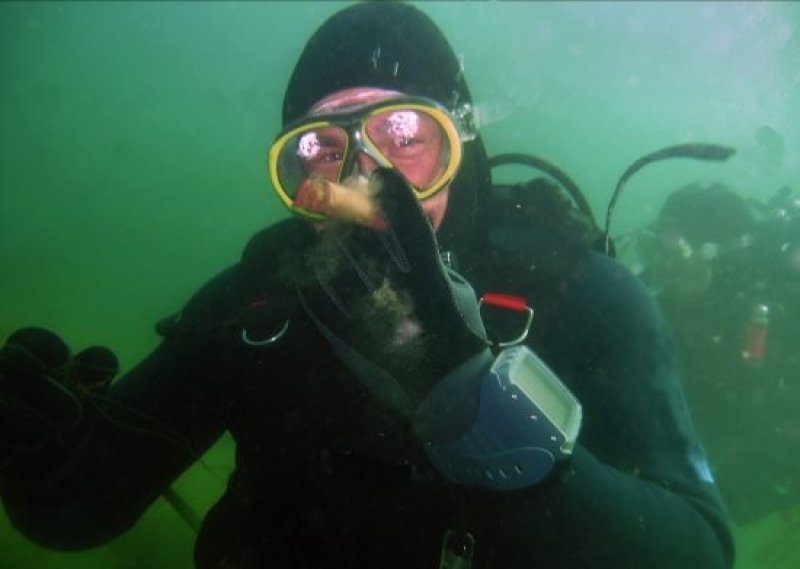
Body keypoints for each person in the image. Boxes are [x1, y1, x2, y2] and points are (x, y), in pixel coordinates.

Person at [0, 3, 734, 567]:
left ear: (464, 141)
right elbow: (77, 512)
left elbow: (700, 549)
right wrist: (43, 462)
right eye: (320, 147)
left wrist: (479, 406)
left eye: (407, 138)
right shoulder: (262, 306)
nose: (365, 183)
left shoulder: (578, 291)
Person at [638, 181, 800, 526]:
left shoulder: (782, 320)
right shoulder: (667, 311)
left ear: (721, 259)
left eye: (675, 253)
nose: (660, 269)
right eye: (654, 248)